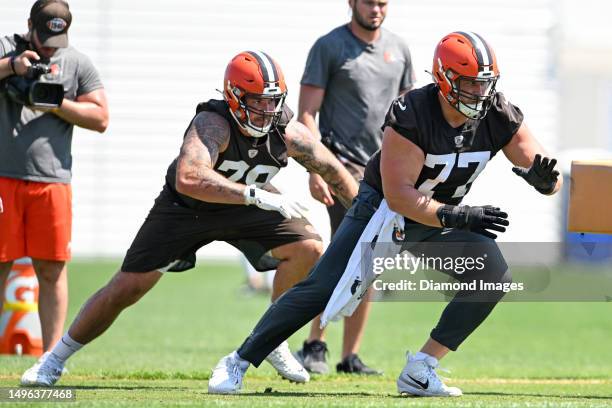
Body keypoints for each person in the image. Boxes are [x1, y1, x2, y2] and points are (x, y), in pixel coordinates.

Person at [208, 31, 562, 396]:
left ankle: (422, 368)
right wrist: (459, 216)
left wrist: (545, 181)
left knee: (491, 274)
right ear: (446, 78)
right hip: (382, 213)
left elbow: (543, 169)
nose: (480, 92)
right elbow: (399, 198)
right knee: (322, 289)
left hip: (436, 218)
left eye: (484, 83)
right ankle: (239, 360)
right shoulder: (413, 114)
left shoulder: (497, 113)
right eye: (471, 83)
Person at [20, 50, 359, 387]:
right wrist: (252, 194)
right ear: (234, 97)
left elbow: (334, 171)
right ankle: (54, 359)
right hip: (187, 210)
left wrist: (369, 219)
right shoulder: (212, 124)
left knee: (309, 247)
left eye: (273, 101)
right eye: (258, 101)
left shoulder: (288, 132)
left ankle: (273, 338)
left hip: (247, 206)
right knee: (127, 287)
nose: (267, 110)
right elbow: (190, 177)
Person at [296, 0, 415, 375]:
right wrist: (315, 168)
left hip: (384, 171)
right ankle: (315, 344)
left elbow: (413, 114)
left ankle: (349, 356)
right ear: (351, 2)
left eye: (383, 2)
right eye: (369, 1)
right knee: (345, 253)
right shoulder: (329, 47)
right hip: (340, 166)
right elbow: (306, 115)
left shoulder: (400, 50)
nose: (376, 9)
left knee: (372, 258)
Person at [0, 0, 109, 353]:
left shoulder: (76, 62)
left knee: (51, 269)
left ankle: (48, 360)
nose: (48, 48)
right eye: (43, 38)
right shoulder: (6, 47)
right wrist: (12, 66)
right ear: (29, 24)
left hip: (52, 181)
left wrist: (57, 103)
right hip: (3, 177)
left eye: (55, 41)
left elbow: (101, 118)